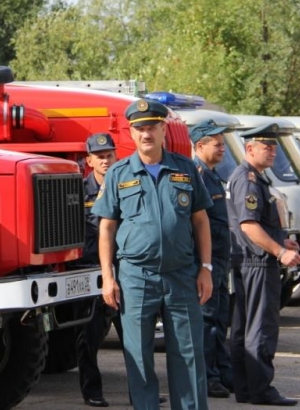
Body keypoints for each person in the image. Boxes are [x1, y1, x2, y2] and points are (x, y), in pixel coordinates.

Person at [93, 98, 214, 410]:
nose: (146, 134)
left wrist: (206, 268)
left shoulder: (186, 169)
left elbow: (200, 221)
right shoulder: (119, 173)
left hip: (182, 275)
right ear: (131, 133)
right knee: (139, 357)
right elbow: (106, 229)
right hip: (136, 277)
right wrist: (108, 278)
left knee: (188, 354)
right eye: (139, 128)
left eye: (151, 127)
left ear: (163, 130)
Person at [227, 123, 300, 407]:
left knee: (244, 327)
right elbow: (248, 225)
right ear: (250, 149)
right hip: (256, 262)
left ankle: (247, 389)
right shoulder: (248, 179)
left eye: (274, 147)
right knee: (260, 327)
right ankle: (261, 391)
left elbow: (258, 223)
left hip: (252, 260)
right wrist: (279, 252)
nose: (273, 151)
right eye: (266, 147)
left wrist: (283, 243)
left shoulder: (253, 177)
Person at [189, 119, 234, 399]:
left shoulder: (212, 175)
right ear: (200, 145)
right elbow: (195, 224)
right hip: (205, 261)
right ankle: (207, 377)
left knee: (220, 318)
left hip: (219, 260)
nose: (223, 150)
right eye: (218, 145)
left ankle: (222, 372)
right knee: (206, 322)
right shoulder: (197, 175)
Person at [75, 132, 118, 408]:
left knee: (133, 335)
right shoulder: (79, 191)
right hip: (90, 269)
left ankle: (141, 390)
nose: (105, 160)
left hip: (121, 269)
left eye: (109, 155)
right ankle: (92, 391)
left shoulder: (125, 186)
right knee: (88, 336)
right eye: (99, 156)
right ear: (89, 160)